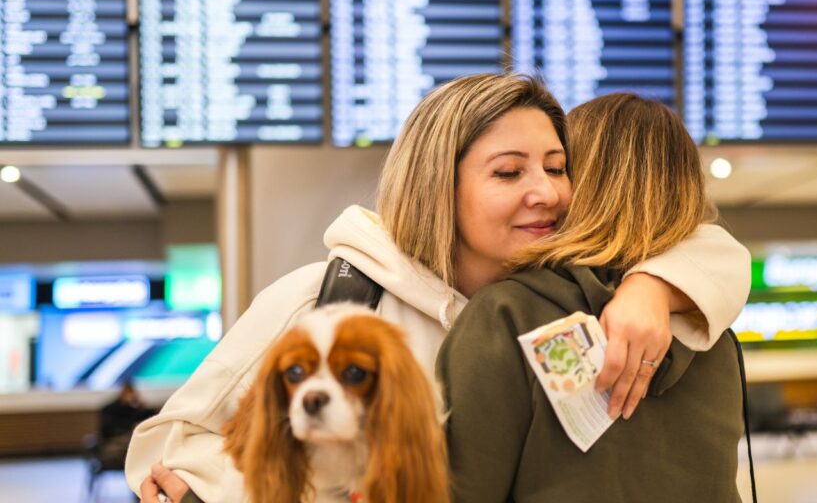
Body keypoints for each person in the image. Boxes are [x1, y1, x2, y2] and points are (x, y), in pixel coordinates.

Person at [128, 74, 751, 503]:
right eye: (509, 172)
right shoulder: (333, 302)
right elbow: (171, 445)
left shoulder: (556, 300)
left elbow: (710, 245)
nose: (547, 192)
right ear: (436, 185)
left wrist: (652, 284)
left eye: (559, 168)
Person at [438, 93, 747, 502]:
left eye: (556, 167)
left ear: (580, 181)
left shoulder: (509, 312)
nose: (545, 189)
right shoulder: (712, 332)